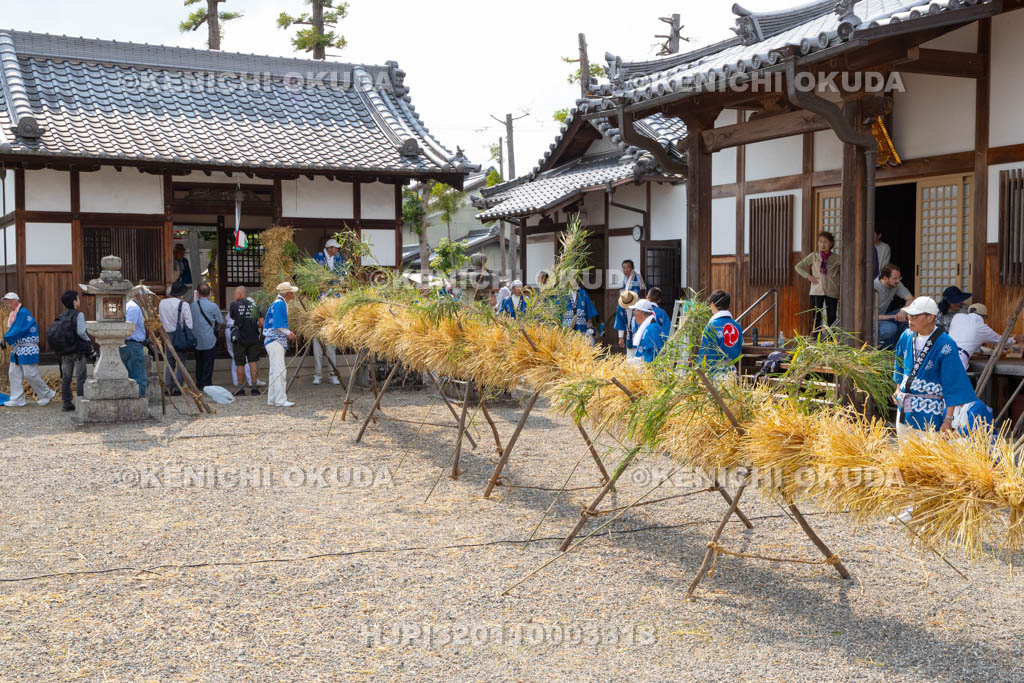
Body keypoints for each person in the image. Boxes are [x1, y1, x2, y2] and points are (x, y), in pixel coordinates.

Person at [892, 296, 977, 439]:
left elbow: (953, 383)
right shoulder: (906, 336)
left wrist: (948, 420)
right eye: (909, 315)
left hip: (929, 413)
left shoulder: (946, 344)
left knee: (926, 456)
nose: (909, 319)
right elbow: (899, 364)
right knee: (904, 454)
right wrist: (898, 387)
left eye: (914, 316)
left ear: (930, 317)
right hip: (904, 408)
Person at [2, 292, 56, 407]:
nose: (9, 305)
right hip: (18, 348)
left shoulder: (23, 312)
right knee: (13, 373)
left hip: (27, 347)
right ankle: (17, 398)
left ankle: (47, 393)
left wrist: (5, 339)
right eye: (7, 303)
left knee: (30, 374)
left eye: (10, 302)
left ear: (17, 301)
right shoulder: (14, 314)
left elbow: (18, 329)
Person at [312, 238, 346, 384]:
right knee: (317, 343)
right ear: (330, 248)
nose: (337, 250)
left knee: (331, 343)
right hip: (319, 304)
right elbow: (312, 277)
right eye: (335, 248)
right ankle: (317, 374)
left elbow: (344, 273)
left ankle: (332, 374)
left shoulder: (339, 259)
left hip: (333, 303)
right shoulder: (318, 258)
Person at [948, 303, 1014, 371]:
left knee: (940, 381)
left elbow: (967, 340)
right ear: (984, 317)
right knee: (954, 381)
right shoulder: (981, 327)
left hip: (944, 353)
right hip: (958, 359)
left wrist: (978, 351)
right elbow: (1002, 342)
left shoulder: (957, 317)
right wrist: (1014, 340)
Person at [795, 231, 840, 329]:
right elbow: (798, 267)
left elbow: (843, 274)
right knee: (816, 316)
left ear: (831, 243)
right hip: (816, 289)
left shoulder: (837, 258)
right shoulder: (814, 256)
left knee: (832, 316)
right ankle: (816, 339)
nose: (822, 244)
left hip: (832, 289)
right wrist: (809, 276)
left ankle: (831, 340)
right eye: (820, 242)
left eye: (825, 242)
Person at [56, 290, 92, 412]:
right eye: (78, 298)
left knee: (66, 378)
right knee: (80, 377)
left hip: (65, 352)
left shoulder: (61, 316)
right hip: (78, 351)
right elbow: (81, 332)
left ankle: (67, 403)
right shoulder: (79, 315)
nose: (79, 300)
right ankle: (81, 401)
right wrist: (88, 341)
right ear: (74, 302)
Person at [264, 282, 298, 408]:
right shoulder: (280, 304)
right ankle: (280, 399)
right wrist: (289, 333)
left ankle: (273, 398)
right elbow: (278, 324)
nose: (293, 294)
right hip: (275, 340)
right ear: (288, 293)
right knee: (279, 371)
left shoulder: (277, 302)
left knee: (274, 371)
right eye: (292, 292)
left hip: (272, 340)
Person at [158, 281, 193, 395]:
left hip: (166, 334)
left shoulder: (162, 303)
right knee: (181, 362)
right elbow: (189, 324)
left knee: (169, 361)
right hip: (180, 335)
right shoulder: (184, 305)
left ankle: (168, 387)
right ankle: (178, 388)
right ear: (182, 293)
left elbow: (161, 320)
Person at [696, 290, 743, 373]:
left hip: (714, 371)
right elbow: (739, 348)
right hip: (731, 369)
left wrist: (699, 369)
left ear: (713, 304)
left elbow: (706, 351)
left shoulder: (712, 325)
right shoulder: (737, 326)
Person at [228, 286, 262, 396]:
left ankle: (240, 389)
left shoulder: (234, 305)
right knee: (253, 363)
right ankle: (254, 388)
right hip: (253, 338)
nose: (234, 296)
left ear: (239, 294)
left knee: (240, 364)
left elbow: (233, 318)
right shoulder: (255, 306)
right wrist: (254, 325)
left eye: (235, 293)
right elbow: (261, 323)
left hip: (239, 339)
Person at [190, 283, 223, 390]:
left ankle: (199, 382)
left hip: (196, 338)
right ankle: (206, 383)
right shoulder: (213, 306)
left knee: (199, 362)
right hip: (209, 338)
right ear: (209, 293)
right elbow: (220, 321)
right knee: (208, 363)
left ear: (198, 294)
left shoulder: (192, 306)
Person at [875, 264, 914, 349]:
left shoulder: (896, 284)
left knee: (909, 315)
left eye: (899, 278)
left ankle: (897, 347)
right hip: (870, 321)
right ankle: (882, 346)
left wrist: (903, 311)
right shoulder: (874, 287)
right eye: (895, 278)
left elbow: (910, 299)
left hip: (885, 316)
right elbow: (872, 316)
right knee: (890, 328)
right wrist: (894, 316)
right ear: (885, 278)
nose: (898, 281)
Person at [120, 293, 148, 399]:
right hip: (132, 344)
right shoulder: (134, 308)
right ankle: (139, 398)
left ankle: (133, 397)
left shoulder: (131, 306)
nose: (148, 299)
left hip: (129, 343)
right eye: (147, 296)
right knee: (138, 375)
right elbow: (129, 327)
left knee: (131, 374)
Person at [629, 299, 663, 364]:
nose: (634, 315)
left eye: (634, 311)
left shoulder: (652, 328)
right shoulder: (647, 327)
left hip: (649, 369)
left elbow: (655, 353)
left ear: (640, 312)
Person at [614, 290, 640, 358]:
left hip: (640, 334)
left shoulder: (640, 305)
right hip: (630, 335)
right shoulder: (620, 307)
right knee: (630, 358)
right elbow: (620, 321)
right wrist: (621, 337)